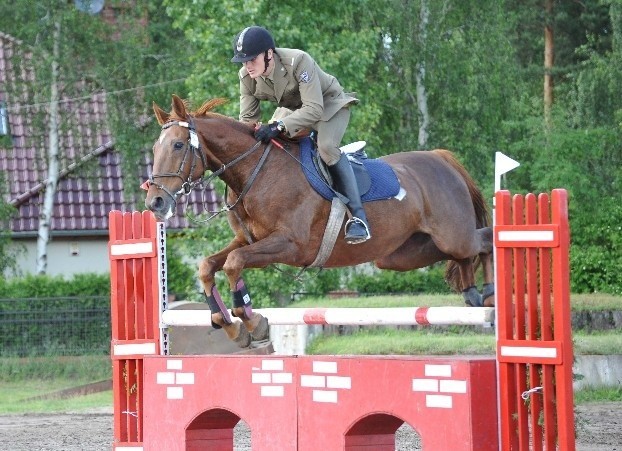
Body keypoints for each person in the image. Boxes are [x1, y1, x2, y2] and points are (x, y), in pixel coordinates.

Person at [230, 26, 371, 244]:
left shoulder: (298, 61)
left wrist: (278, 126)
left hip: (328, 106)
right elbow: (247, 121)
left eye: (252, 59)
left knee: (326, 148)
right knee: (270, 144)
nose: (247, 65)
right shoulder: (246, 77)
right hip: (294, 111)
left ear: (269, 54)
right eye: (243, 60)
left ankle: (359, 219)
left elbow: (314, 109)